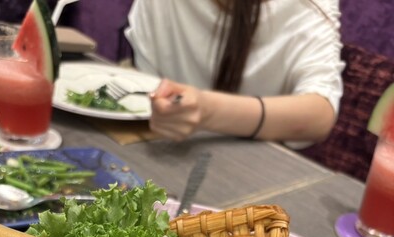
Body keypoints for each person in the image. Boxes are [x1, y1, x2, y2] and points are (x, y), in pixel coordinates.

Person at [124, 0, 344, 146]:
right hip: (161, 148)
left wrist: (208, 111)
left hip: (255, 167)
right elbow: (146, 81)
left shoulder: (308, 7)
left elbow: (319, 115)